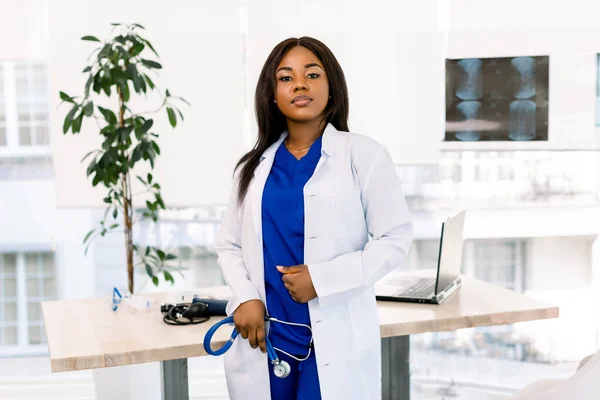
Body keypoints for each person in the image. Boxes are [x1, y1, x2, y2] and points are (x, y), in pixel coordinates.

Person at [214, 36, 413, 400]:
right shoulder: (252, 168)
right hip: (268, 336)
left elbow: (394, 239)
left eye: (313, 74)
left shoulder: (363, 155)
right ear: (272, 94)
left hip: (334, 337)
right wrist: (245, 298)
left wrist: (321, 279)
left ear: (332, 88)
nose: (300, 84)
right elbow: (229, 243)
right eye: (286, 78)